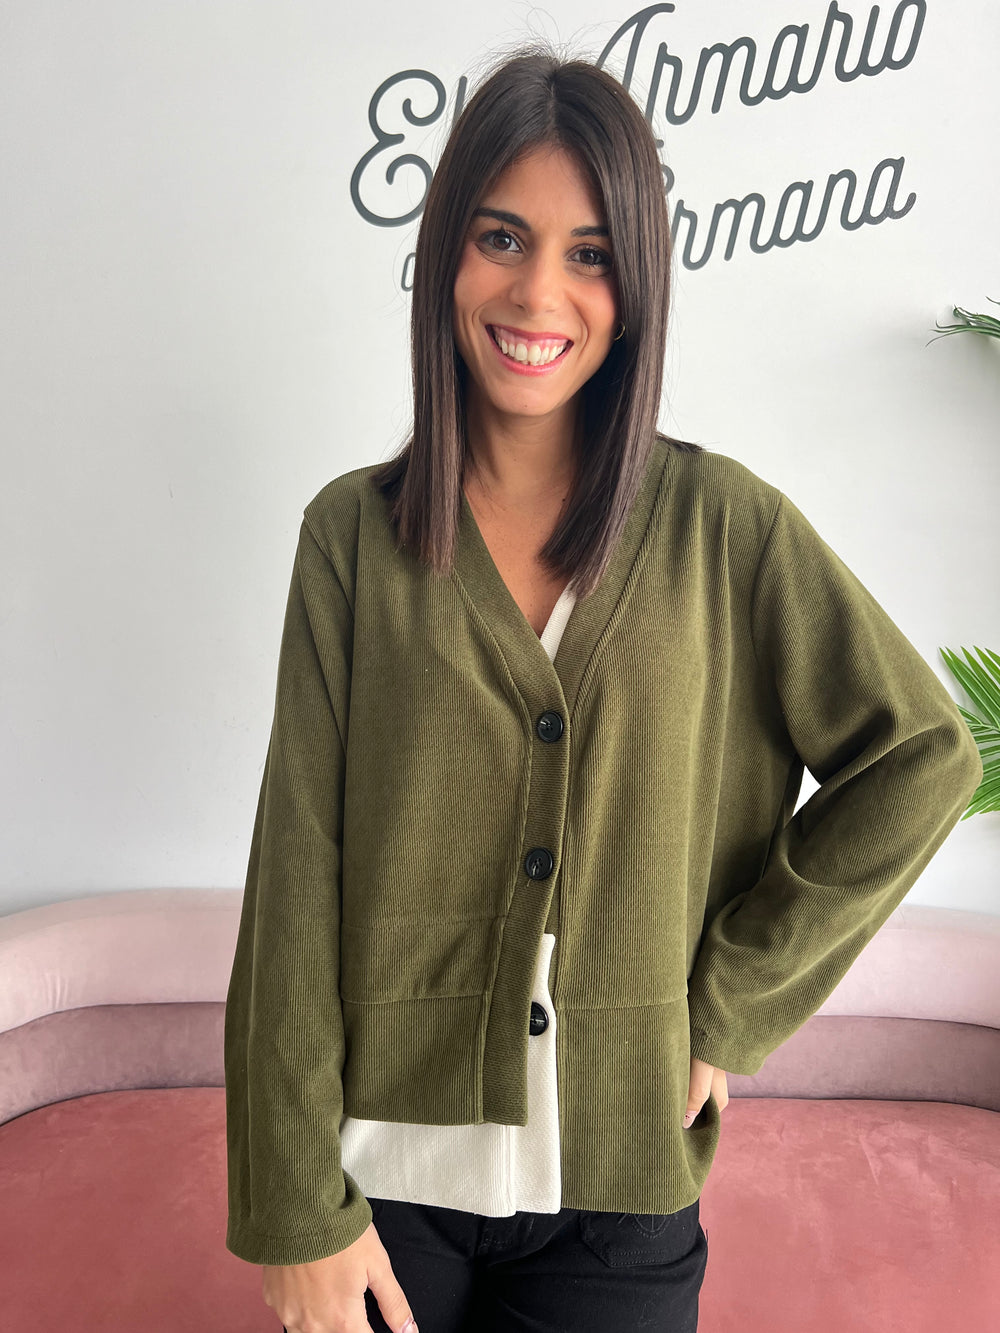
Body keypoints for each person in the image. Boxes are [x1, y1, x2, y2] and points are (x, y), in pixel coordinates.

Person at [223, 46, 983, 1333]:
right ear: (445, 256)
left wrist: (732, 1001)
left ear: (634, 288)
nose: (538, 292)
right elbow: (298, 875)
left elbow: (920, 755)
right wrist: (295, 1210)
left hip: (620, 1202)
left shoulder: (723, 527)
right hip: (380, 1188)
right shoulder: (352, 538)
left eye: (589, 253)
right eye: (501, 238)